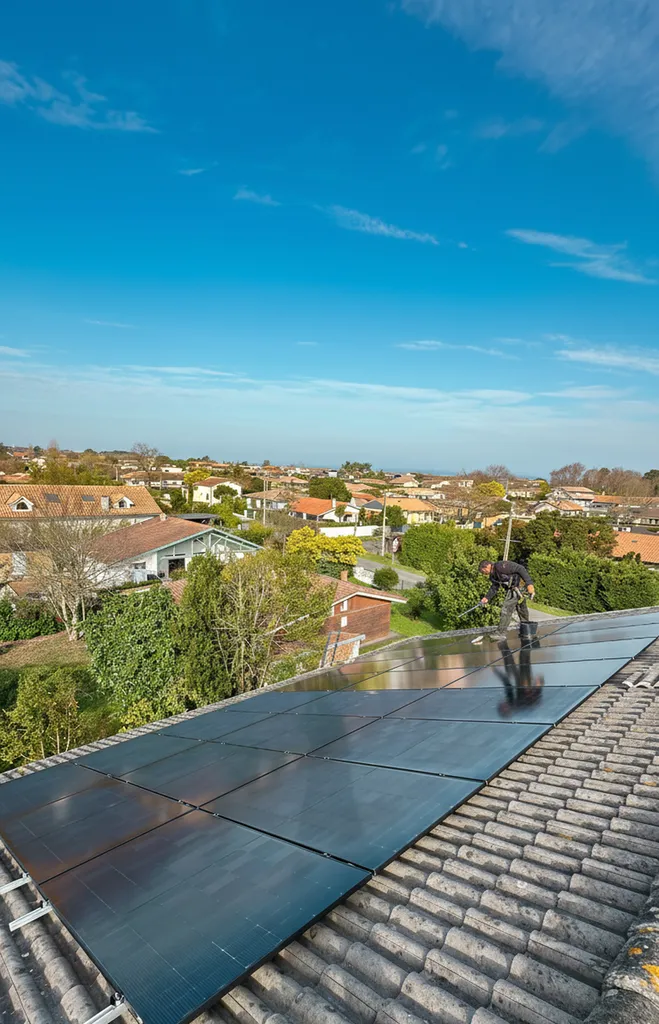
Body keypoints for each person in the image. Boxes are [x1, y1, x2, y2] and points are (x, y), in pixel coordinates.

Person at [478, 558, 535, 641]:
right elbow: (494, 587)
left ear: (487, 566)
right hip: (515, 589)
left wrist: (529, 583)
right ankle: (527, 631)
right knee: (521, 610)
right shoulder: (493, 575)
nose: (484, 573)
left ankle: (500, 633)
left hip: (517, 588)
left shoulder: (500, 566)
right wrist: (487, 597)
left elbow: (520, 568)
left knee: (506, 609)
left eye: (483, 571)